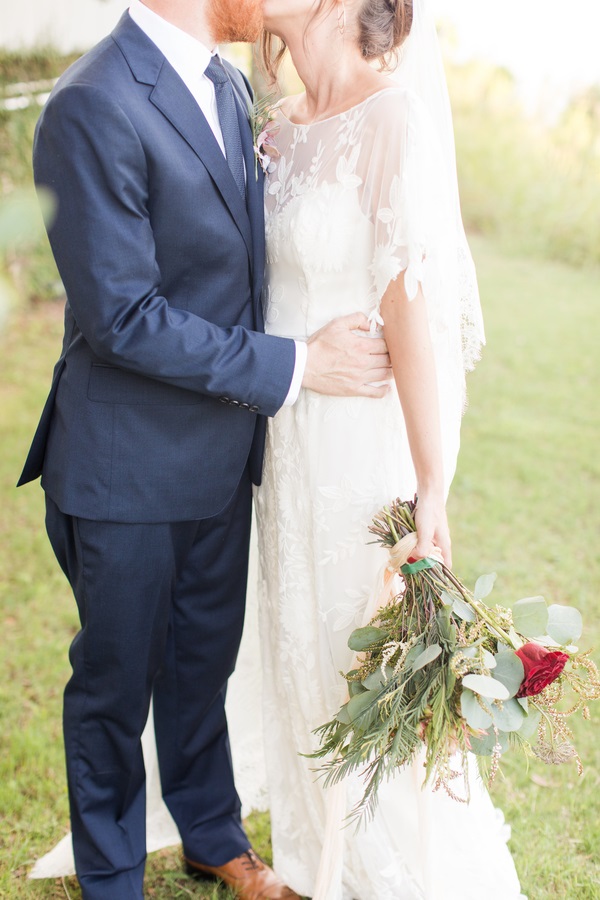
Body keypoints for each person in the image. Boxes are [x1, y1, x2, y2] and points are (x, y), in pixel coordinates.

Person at [17, 0, 393, 897]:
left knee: (201, 668)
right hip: (123, 467)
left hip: (222, 457)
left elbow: (222, 248)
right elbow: (122, 317)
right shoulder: (91, 101)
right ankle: (111, 876)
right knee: (115, 684)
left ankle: (212, 834)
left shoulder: (226, 87)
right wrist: (300, 364)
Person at [249, 0, 526, 897]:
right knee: (300, 656)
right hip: (281, 446)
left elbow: (415, 314)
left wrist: (432, 488)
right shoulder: (276, 129)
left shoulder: (391, 116)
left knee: (354, 659)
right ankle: (314, 864)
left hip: (355, 454)